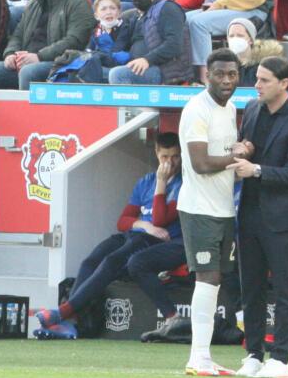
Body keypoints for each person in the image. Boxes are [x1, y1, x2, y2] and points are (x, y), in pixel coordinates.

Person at [35, 133, 185, 340]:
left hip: (157, 240)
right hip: (138, 233)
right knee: (90, 261)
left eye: (175, 157)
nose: (169, 163)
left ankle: (63, 313)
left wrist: (161, 183)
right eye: (165, 157)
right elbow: (123, 220)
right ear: (156, 153)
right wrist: (144, 224)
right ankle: (71, 320)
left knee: (112, 261)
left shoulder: (182, 184)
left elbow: (160, 220)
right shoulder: (146, 182)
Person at [232, 57, 288, 378]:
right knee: (250, 288)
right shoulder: (252, 109)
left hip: (282, 217)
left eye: (264, 80)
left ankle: (280, 357)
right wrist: (243, 150)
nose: (257, 85)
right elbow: (249, 145)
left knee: (284, 288)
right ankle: (253, 353)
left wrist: (255, 169)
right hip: (249, 211)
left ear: (284, 83)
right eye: (257, 78)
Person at [177, 48, 242, 376]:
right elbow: (201, 163)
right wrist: (239, 159)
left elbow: (222, 153)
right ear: (207, 76)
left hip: (223, 207)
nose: (226, 80)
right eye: (220, 74)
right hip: (198, 207)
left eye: (232, 74)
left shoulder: (230, 108)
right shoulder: (196, 109)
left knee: (215, 280)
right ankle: (198, 356)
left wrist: (239, 153)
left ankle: (203, 355)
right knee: (207, 278)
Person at [0, 0, 94, 89]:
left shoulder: (78, 2)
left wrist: (39, 56)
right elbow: (17, 35)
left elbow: (75, 40)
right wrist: (10, 54)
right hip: (27, 61)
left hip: (59, 63)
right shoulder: (33, 4)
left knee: (28, 72)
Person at [107, 0, 192, 84]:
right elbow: (119, 46)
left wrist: (147, 60)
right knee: (95, 70)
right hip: (135, 67)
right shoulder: (133, 16)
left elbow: (174, 45)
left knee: (118, 74)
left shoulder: (167, 8)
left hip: (162, 70)